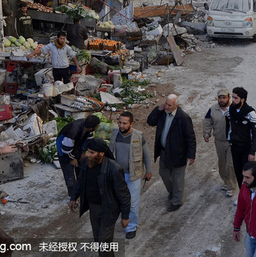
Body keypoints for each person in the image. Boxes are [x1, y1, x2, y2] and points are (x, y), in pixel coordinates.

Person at [69, 139, 130, 257]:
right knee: (98, 240)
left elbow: (123, 194)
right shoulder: (86, 163)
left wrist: (125, 216)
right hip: (94, 208)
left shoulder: (114, 169)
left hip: (109, 209)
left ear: (101, 153)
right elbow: (80, 181)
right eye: (88, 152)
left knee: (104, 244)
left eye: (92, 153)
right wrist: (73, 197)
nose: (88, 155)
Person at [147, 94, 196, 212]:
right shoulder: (162, 114)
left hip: (178, 154)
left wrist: (191, 155)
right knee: (163, 173)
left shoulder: (183, 118)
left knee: (177, 177)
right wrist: (159, 109)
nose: (167, 107)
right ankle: (172, 191)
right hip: (164, 151)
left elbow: (190, 138)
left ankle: (177, 201)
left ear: (176, 106)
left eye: (170, 105)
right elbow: (150, 121)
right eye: (166, 104)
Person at [109, 111, 152, 239]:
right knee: (115, 200)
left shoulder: (139, 136)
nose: (121, 126)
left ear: (131, 124)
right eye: (120, 122)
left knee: (132, 203)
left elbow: (146, 154)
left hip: (133, 175)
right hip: (117, 175)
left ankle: (131, 227)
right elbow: (109, 153)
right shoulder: (114, 134)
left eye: (124, 123)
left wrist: (148, 170)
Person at [55, 115, 101, 197]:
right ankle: (73, 197)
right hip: (64, 151)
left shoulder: (88, 128)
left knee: (81, 172)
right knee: (70, 177)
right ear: (93, 127)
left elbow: (88, 140)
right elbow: (65, 149)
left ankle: (81, 191)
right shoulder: (73, 131)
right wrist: (71, 159)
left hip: (76, 147)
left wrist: (83, 152)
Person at [204, 88, 237, 198]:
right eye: (220, 98)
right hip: (219, 141)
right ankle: (226, 181)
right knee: (222, 164)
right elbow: (208, 122)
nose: (222, 100)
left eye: (224, 97)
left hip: (232, 142)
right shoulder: (213, 109)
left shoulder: (235, 108)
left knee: (230, 165)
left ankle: (232, 186)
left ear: (229, 97)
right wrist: (206, 134)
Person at [228, 87, 256, 190]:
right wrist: (229, 139)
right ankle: (242, 196)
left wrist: (252, 151)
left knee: (247, 174)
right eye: (232, 97)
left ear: (243, 99)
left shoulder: (250, 113)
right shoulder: (230, 110)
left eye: (236, 98)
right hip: (235, 147)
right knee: (238, 172)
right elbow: (228, 126)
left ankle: (249, 195)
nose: (233, 100)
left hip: (246, 149)